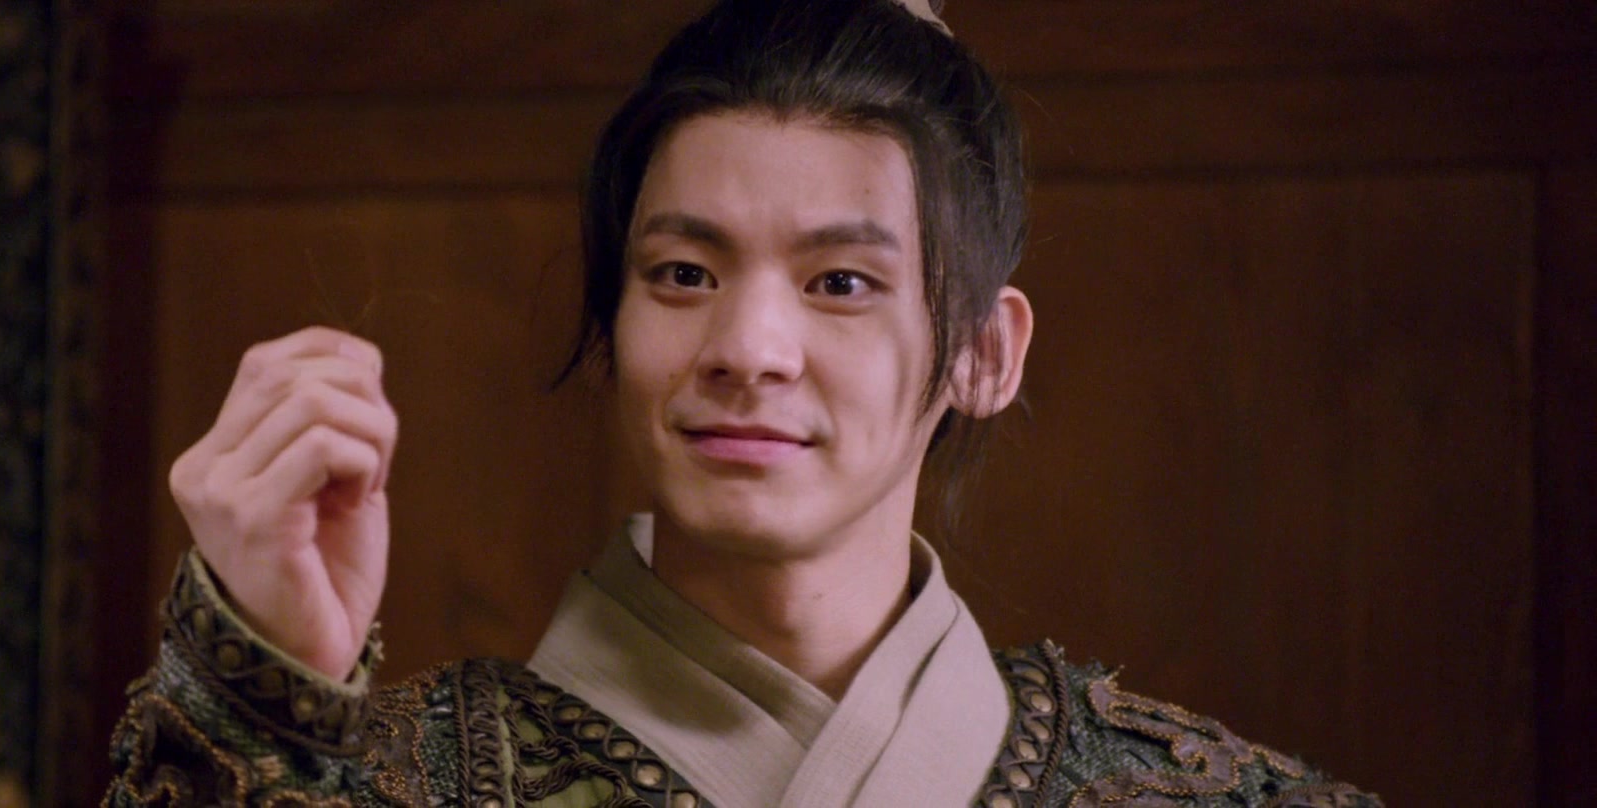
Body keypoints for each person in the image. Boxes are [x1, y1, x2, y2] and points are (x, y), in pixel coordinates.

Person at [105, 0, 1379, 805]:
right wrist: (256, 696)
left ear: (986, 353)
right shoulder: (384, 781)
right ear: (611, 327)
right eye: (683, 274)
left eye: (840, 282)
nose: (747, 347)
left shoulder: (1216, 795)